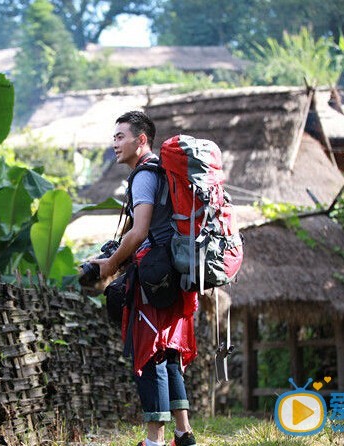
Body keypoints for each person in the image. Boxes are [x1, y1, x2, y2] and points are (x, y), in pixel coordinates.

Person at [91, 111, 199, 446]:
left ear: (141, 139)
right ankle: (184, 435)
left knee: (149, 355)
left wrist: (109, 265)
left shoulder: (144, 175)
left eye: (121, 136)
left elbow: (138, 234)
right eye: (113, 138)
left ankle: (154, 442)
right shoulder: (162, 172)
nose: (115, 144)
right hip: (173, 274)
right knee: (168, 354)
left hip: (154, 279)